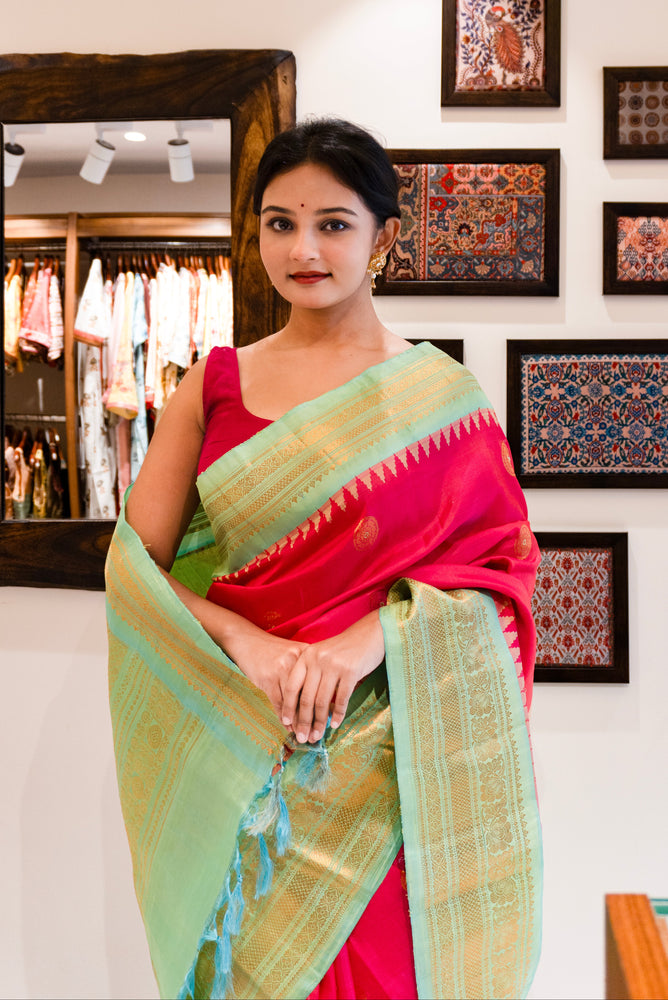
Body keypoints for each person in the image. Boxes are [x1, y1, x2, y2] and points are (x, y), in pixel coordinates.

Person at [106, 118, 543, 1000]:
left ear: (384, 234)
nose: (303, 248)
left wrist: (370, 641)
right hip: (250, 770)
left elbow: (504, 577)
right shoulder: (214, 383)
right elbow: (134, 579)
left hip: (388, 782)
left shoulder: (441, 399)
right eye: (279, 222)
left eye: (333, 223)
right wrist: (252, 644)